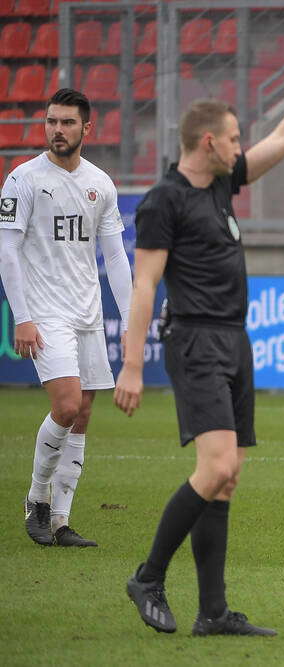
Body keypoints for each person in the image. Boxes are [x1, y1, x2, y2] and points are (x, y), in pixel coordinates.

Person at [113, 45, 284, 636]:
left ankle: (213, 612)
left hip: (234, 340)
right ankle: (148, 576)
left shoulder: (222, 185)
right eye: (231, 138)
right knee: (216, 463)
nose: (239, 146)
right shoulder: (164, 201)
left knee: (228, 474)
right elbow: (144, 285)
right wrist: (129, 364)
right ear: (207, 144)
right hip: (195, 342)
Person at [0, 88, 132, 548]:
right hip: (45, 312)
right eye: (52, 121)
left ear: (86, 129)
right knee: (67, 405)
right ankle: (35, 500)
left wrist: (131, 320)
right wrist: (22, 316)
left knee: (83, 414)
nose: (58, 130)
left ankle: (60, 519)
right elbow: (8, 250)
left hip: (87, 314)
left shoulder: (102, 184)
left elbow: (115, 258)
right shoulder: (23, 179)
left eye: (67, 123)